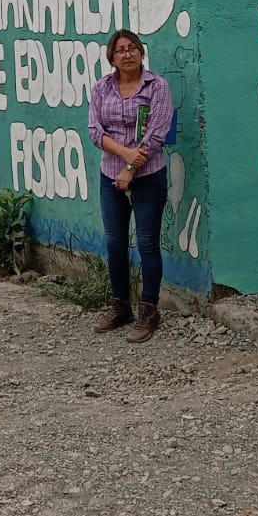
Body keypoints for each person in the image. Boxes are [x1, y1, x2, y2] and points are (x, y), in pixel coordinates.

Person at [88, 28, 174, 344]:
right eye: (121, 50)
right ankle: (120, 306)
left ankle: (149, 311)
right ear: (111, 57)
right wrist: (124, 156)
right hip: (110, 175)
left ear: (141, 52)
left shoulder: (156, 86)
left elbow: (156, 133)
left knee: (147, 243)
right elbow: (95, 131)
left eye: (133, 48)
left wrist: (131, 168)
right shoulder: (101, 88)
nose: (127, 54)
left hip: (148, 175)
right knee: (115, 243)